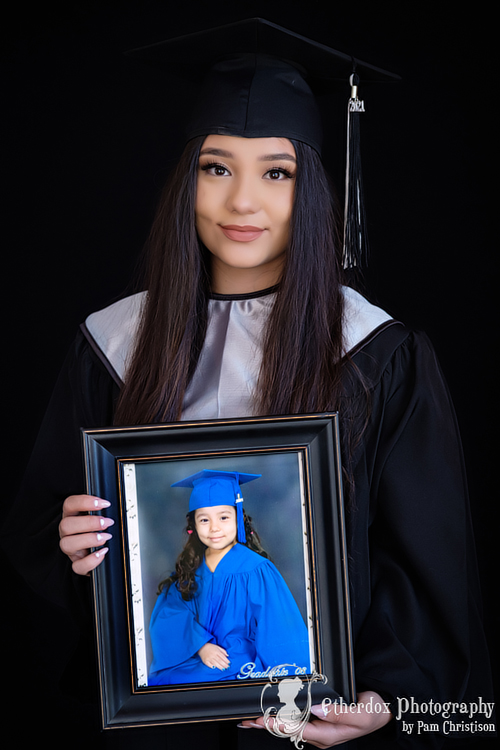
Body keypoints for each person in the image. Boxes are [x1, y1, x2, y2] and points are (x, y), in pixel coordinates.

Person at [1, 17, 494, 750]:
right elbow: (51, 550)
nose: (241, 204)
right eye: (216, 167)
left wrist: (385, 703)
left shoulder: (375, 353)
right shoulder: (114, 345)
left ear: (315, 188)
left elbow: (426, 580)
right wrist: (73, 549)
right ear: (185, 179)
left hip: (313, 736)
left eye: (276, 172)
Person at [148, 469, 310, 686]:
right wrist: (201, 645)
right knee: (162, 682)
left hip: (240, 662)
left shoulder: (256, 569)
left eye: (224, 517)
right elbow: (169, 615)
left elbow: (278, 628)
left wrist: (285, 680)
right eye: (204, 520)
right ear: (193, 526)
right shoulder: (191, 568)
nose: (214, 527)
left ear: (238, 518)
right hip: (197, 656)